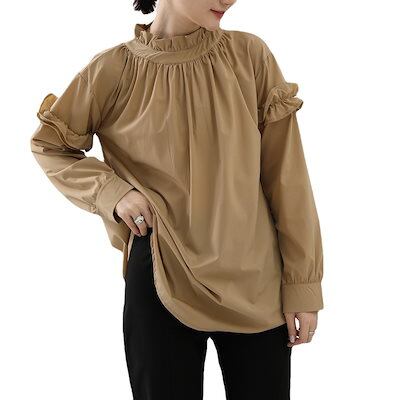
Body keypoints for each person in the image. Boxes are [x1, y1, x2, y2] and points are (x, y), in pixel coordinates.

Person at [30, 0, 324, 398]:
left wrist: (303, 285)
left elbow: (288, 180)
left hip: (257, 283)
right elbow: (50, 145)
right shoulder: (112, 71)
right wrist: (113, 192)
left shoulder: (249, 56)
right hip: (160, 275)